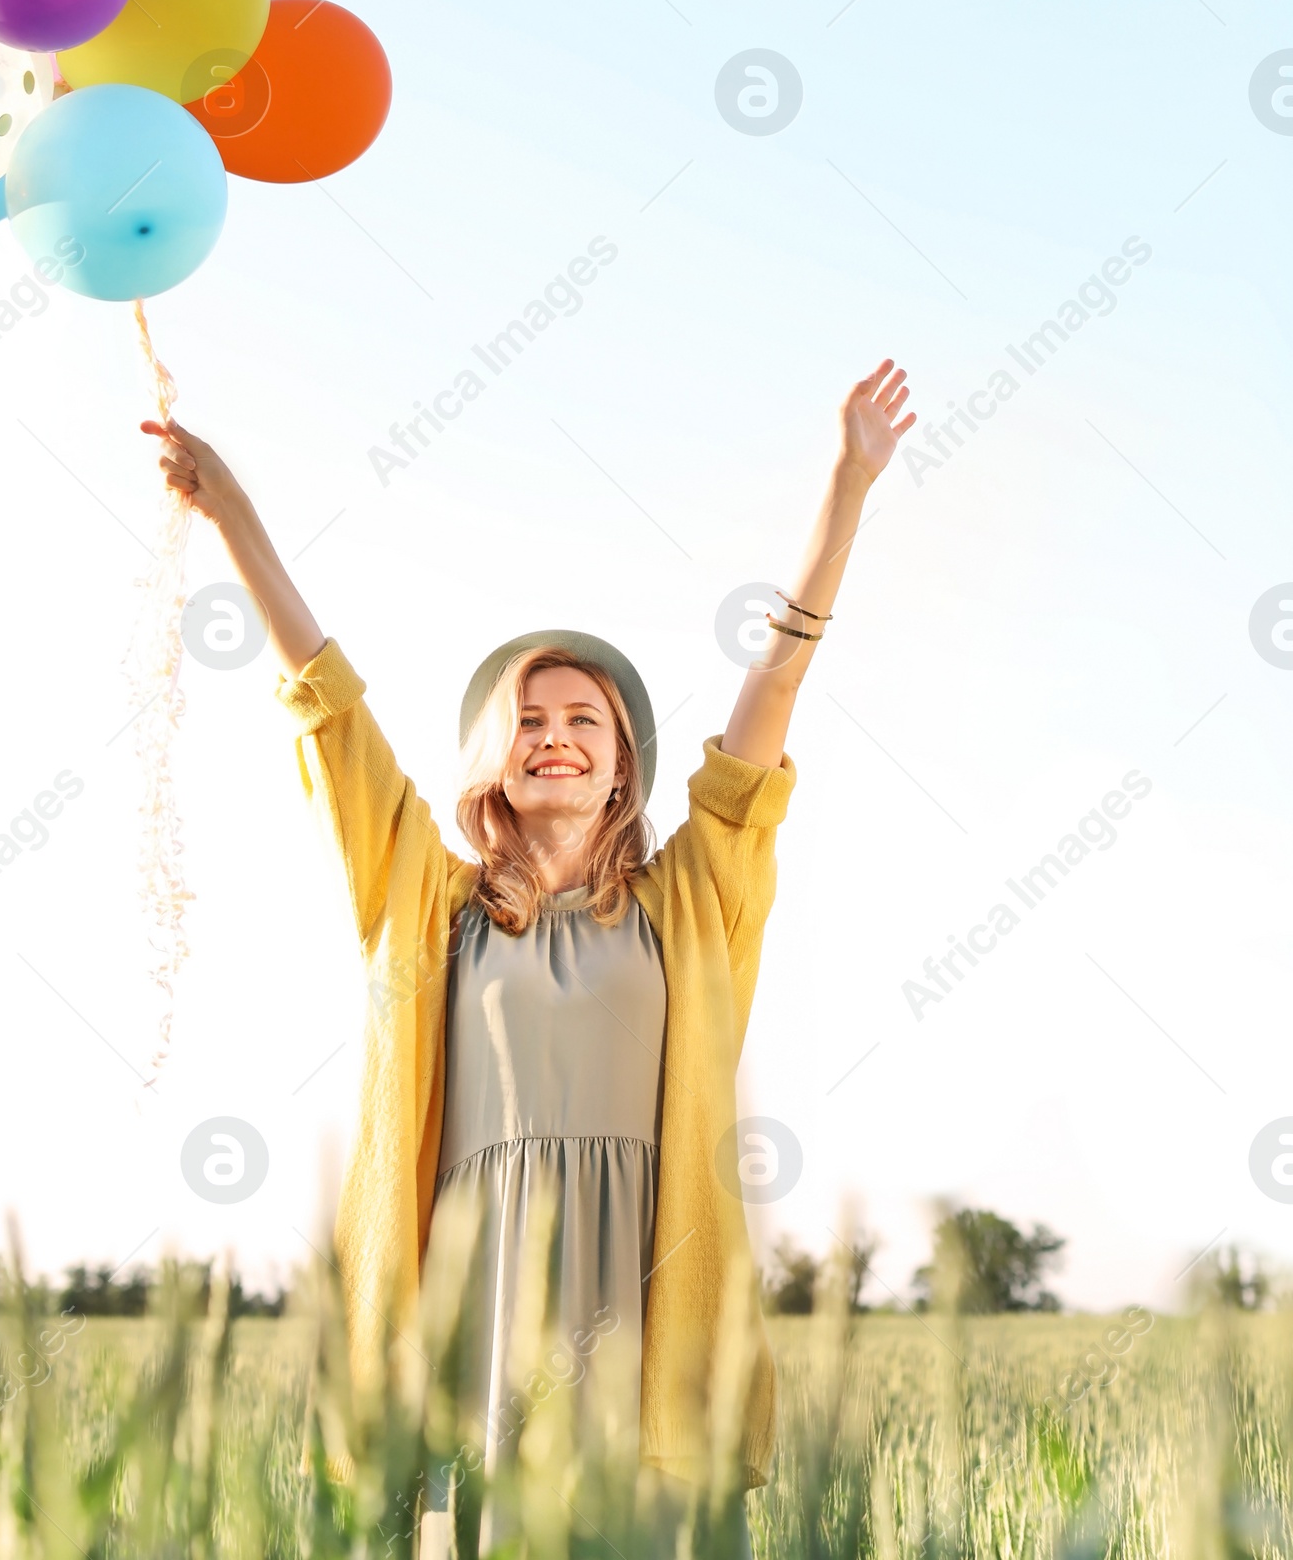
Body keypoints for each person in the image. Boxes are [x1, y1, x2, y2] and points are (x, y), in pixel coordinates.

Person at [143, 359, 914, 1548]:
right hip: (480, 1288)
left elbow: (774, 688)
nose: (555, 739)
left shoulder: (692, 897)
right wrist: (232, 514)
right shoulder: (425, 895)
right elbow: (327, 705)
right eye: (530, 722)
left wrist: (845, 490)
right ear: (495, 760)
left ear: (623, 766)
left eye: (583, 722)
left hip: (648, 1286)